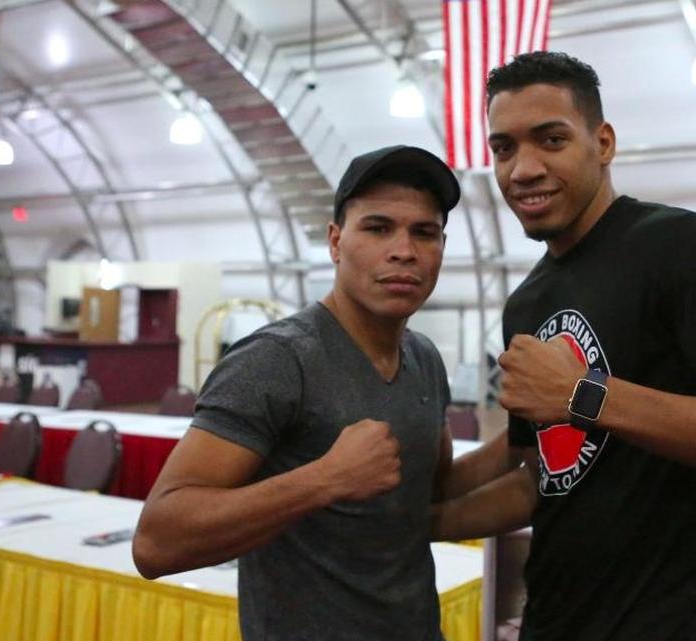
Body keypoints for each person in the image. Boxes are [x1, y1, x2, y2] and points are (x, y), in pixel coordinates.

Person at [430, 52, 696, 641]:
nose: (524, 169)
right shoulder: (527, 301)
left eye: (551, 139)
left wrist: (584, 395)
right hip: (552, 623)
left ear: (604, 143)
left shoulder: (683, 247)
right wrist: (420, 517)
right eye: (504, 148)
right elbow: (540, 475)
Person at [133, 145, 462, 641]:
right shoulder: (275, 360)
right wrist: (324, 480)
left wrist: (533, 434)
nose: (404, 250)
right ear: (335, 242)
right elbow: (156, 542)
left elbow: (431, 496)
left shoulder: (425, 359)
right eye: (377, 228)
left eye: (424, 232)